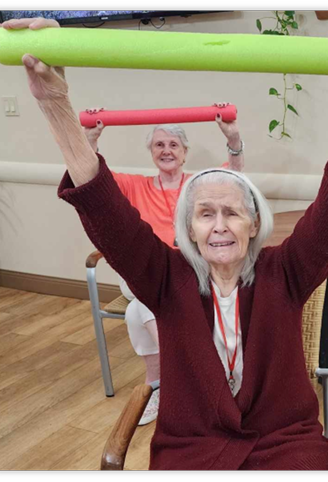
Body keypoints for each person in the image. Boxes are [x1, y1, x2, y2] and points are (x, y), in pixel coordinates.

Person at [9, 17, 328, 470]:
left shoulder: (284, 272)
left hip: (284, 446)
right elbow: (104, 208)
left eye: (233, 212)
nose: (220, 225)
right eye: (206, 214)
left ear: (254, 225)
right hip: (192, 451)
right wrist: (55, 104)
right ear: (189, 228)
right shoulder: (166, 278)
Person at [82, 111, 243, 425]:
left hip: (191, 271)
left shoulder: (198, 186)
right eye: (159, 145)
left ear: (184, 153)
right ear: (152, 152)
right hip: (147, 273)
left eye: (173, 144)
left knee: (135, 312)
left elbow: (235, 174)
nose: (166, 150)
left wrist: (233, 137)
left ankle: (160, 385)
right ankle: (194, 373)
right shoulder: (135, 186)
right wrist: (90, 142)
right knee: (148, 291)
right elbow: (92, 178)